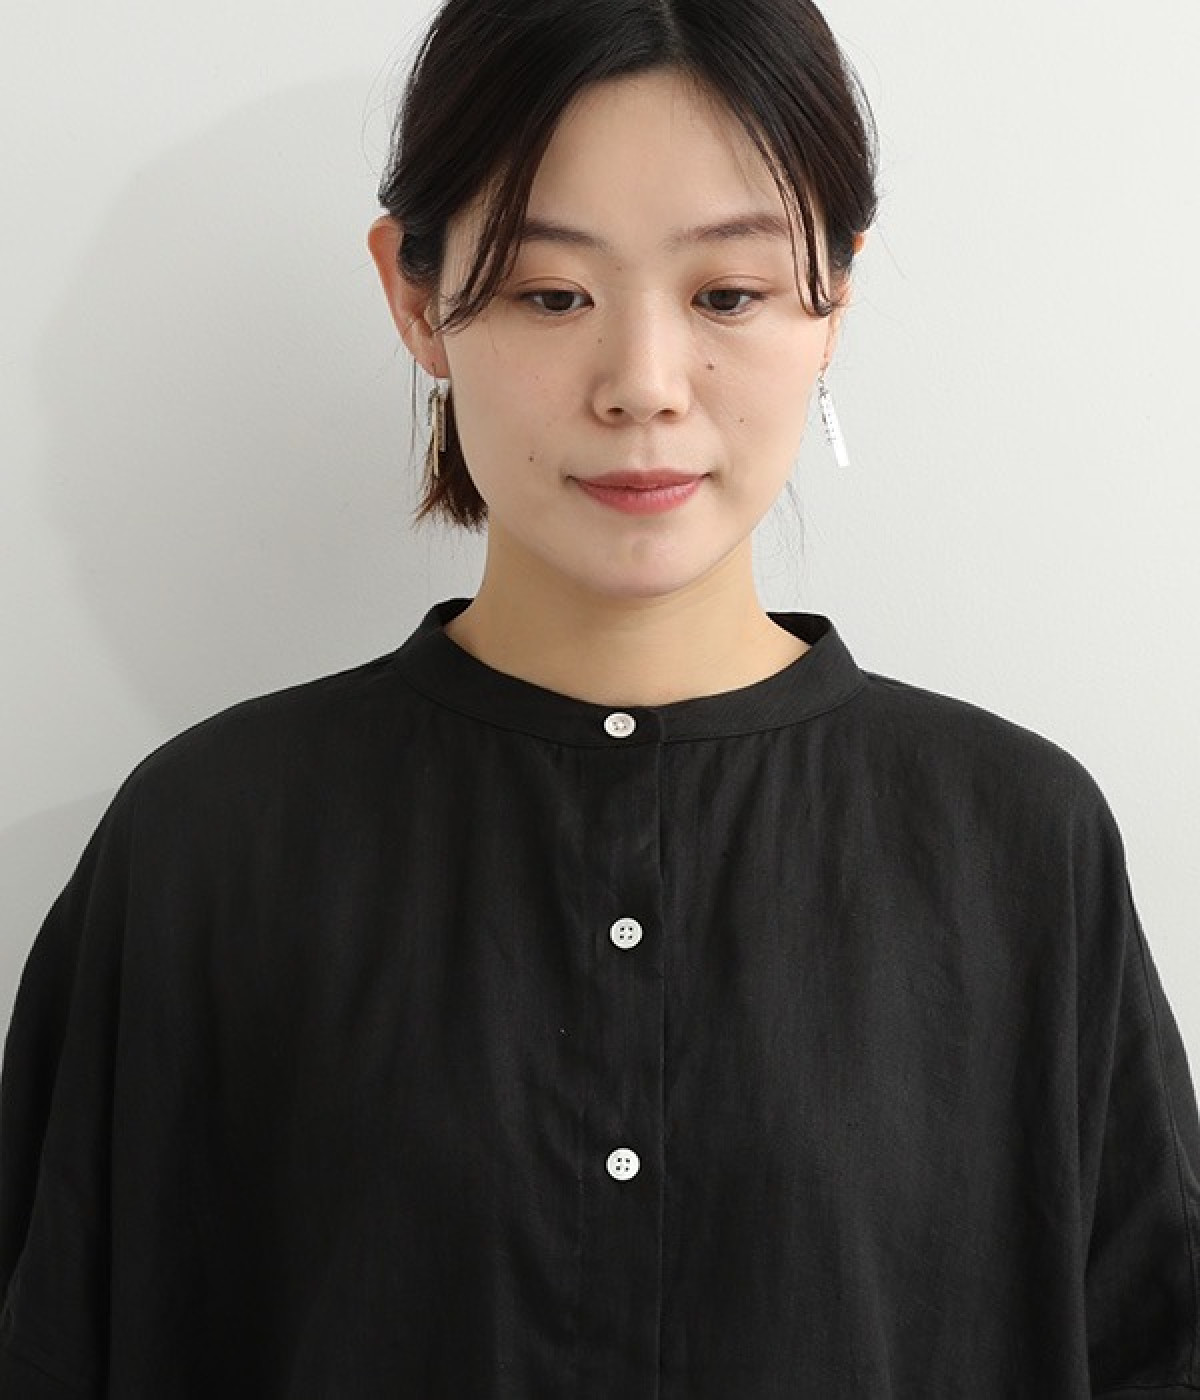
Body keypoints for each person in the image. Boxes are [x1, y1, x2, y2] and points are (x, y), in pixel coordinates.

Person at [2, 0, 1198, 1394]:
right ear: (414, 297)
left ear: (833, 296)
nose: (642, 386)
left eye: (728, 295)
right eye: (552, 294)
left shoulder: (1017, 842)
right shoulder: (206, 845)